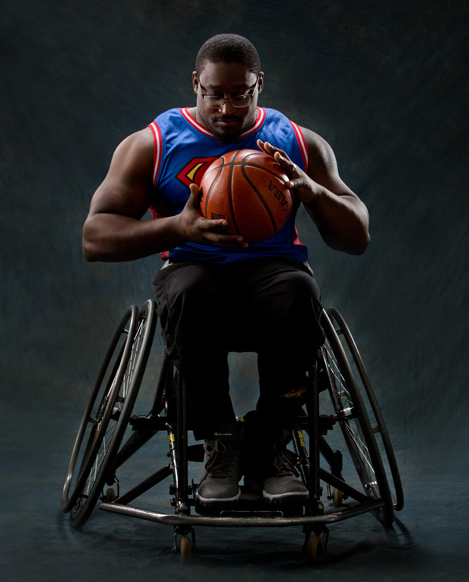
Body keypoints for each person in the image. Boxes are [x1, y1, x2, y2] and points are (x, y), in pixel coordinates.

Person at [82, 33, 370, 509]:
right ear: (196, 84)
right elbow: (94, 238)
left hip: (273, 273)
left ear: (260, 86)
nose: (228, 106)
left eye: (242, 92)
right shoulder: (153, 143)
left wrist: (312, 194)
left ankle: (273, 443)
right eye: (214, 92)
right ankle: (219, 440)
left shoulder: (296, 142)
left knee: (300, 290)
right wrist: (179, 228)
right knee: (189, 290)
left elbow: (357, 236)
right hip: (194, 271)